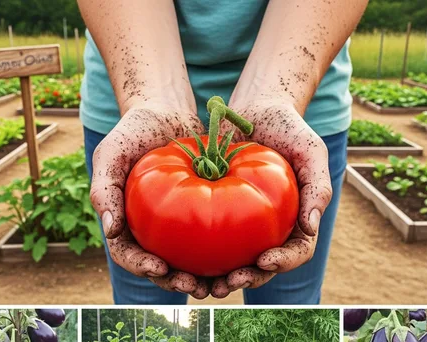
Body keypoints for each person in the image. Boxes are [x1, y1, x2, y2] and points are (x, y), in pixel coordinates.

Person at [77, 0, 368, 304]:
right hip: (132, 89)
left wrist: (277, 94)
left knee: (291, 312)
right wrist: (151, 97)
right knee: (140, 312)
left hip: (299, 102)